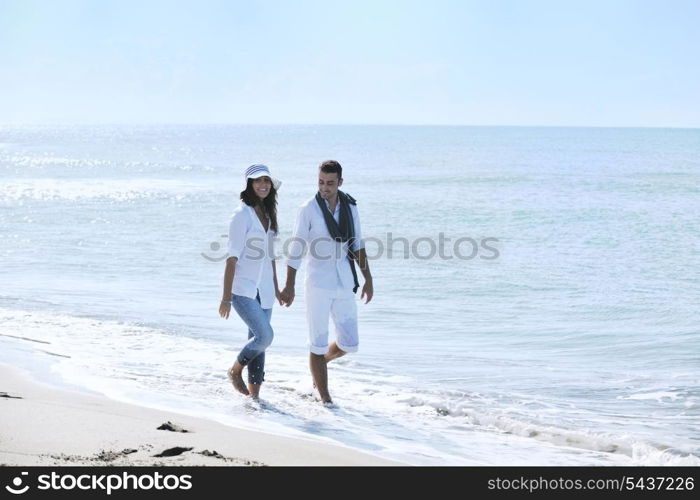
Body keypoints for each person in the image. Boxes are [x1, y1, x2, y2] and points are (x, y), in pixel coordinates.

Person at [280, 160, 373, 404]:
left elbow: (358, 244)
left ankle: (319, 367)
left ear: (340, 182)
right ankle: (325, 400)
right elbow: (296, 248)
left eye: (330, 183)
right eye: (321, 182)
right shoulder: (308, 209)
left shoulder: (350, 207)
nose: (325, 187)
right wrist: (289, 285)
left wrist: (368, 278)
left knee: (349, 343)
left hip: (344, 281)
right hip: (318, 283)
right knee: (317, 343)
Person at [219, 164, 282, 399]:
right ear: (249, 184)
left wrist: (278, 288)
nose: (263, 185)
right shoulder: (241, 215)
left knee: (258, 342)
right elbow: (231, 258)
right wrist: (226, 298)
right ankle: (235, 370)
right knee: (265, 336)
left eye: (266, 180)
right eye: (258, 181)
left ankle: (254, 398)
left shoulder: (268, 214)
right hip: (242, 289)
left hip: (264, 289)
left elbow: (270, 257)